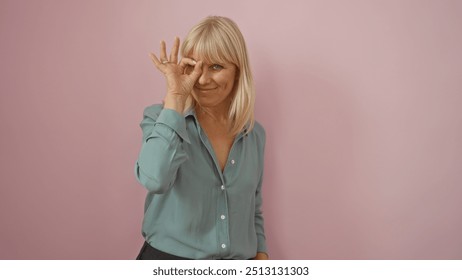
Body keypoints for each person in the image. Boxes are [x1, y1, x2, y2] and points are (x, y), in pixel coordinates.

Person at [134, 16, 268, 260]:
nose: (203, 79)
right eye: (194, 66)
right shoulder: (159, 118)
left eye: (216, 66)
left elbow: (252, 209)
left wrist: (261, 256)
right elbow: (155, 179)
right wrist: (175, 95)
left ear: (238, 72)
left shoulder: (254, 134)